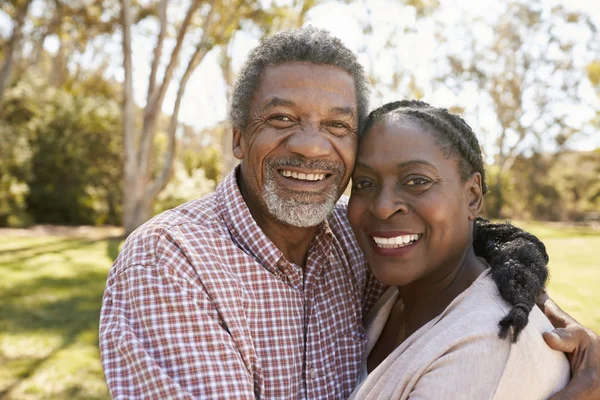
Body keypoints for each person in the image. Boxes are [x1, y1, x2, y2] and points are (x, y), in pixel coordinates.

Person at [99, 27, 600, 399]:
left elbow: (454, 247)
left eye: (337, 126)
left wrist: (536, 304)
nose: (312, 147)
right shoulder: (170, 262)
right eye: (281, 119)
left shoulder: (351, 236)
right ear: (237, 138)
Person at [347, 100, 569, 399]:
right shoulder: (392, 297)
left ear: (473, 196)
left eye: (417, 181)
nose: (384, 206)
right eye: (363, 183)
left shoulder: (487, 345)